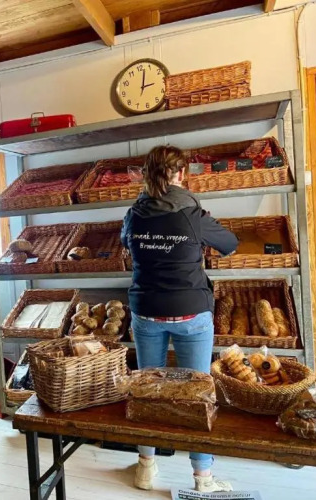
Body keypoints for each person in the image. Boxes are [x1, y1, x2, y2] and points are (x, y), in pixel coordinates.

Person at [121, 146, 239, 493]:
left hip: (146, 311)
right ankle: (203, 478)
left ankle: (145, 467)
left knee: (146, 388)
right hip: (190, 312)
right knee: (198, 392)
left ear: (146, 174)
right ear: (181, 174)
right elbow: (230, 244)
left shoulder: (134, 214)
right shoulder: (192, 213)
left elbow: (126, 243)